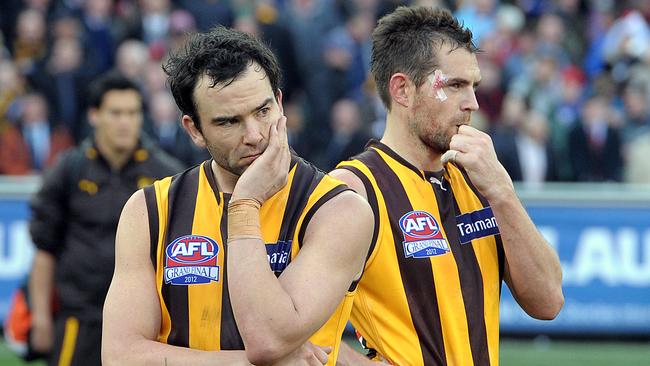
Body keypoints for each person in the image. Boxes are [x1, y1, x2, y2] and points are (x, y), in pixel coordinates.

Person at [101, 26, 373, 365]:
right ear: (194, 130)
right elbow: (120, 356)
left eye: (262, 111)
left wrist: (244, 205)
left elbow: (269, 340)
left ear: (280, 102)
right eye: (229, 122)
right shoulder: (150, 209)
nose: (254, 135)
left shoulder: (337, 209)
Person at [332, 6, 564, 365]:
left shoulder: (479, 180)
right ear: (402, 90)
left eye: (474, 86)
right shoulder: (353, 188)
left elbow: (548, 301)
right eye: (455, 85)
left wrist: (503, 192)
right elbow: (296, 333)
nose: (472, 103)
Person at [28, 71, 184, 366]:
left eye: (132, 112)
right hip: (79, 319)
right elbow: (44, 249)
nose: (125, 121)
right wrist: (40, 318)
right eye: (115, 113)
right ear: (94, 115)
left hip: (145, 327)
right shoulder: (68, 170)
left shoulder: (167, 175)